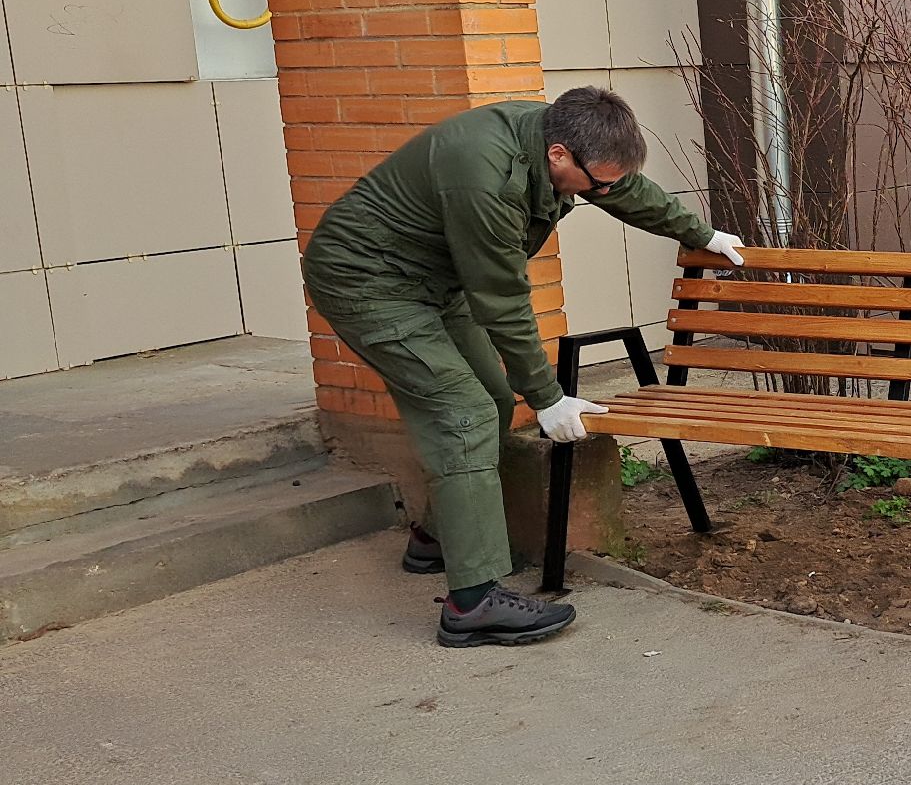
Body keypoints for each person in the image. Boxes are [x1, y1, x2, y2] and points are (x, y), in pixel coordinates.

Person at [302, 87, 746, 648]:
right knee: (461, 412)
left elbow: (624, 189)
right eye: (598, 183)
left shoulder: (566, 145)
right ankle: (472, 603)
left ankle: (437, 539)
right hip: (368, 282)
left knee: (489, 399)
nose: (605, 192)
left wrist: (699, 233)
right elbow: (501, 299)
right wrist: (547, 395)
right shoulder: (483, 174)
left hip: (436, 279)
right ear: (560, 155)